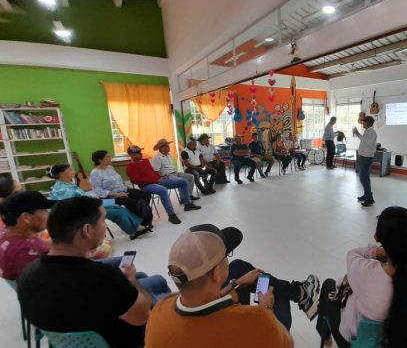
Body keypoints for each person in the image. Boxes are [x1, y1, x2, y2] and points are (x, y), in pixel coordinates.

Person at [17, 197, 171, 348]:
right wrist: (131, 280)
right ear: (87, 230)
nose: (105, 226)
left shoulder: (27, 274)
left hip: (68, 341)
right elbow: (142, 316)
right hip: (125, 340)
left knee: (157, 280)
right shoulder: (103, 277)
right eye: (103, 220)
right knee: (170, 300)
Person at [144, 224, 297, 347]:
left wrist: (235, 284)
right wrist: (267, 310)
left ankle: (298, 293)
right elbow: (287, 343)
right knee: (279, 300)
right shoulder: (255, 320)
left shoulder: (159, 310)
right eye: (225, 256)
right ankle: (299, 295)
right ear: (217, 273)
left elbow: (202, 306)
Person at [315, 207, 407, 347]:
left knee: (328, 285)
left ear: (376, 237)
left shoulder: (364, 273)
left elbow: (353, 254)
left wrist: (381, 251)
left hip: (360, 343)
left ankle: (323, 333)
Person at [48, 164, 152, 239]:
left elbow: (80, 198)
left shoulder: (67, 184)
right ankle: (133, 230)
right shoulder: (62, 190)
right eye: (70, 170)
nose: (73, 171)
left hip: (88, 204)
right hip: (83, 212)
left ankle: (137, 226)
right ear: (61, 173)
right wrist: (93, 203)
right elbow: (73, 206)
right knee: (118, 212)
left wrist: (93, 200)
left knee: (116, 205)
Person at [126, 145, 199, 225]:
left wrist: (159, 177)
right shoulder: (131, 166)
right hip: (147, 186)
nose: (139, 154)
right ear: (130, 155)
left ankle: (188, 204)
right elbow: (137, 180)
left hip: (159, 180)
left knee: (184, 181)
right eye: (137, 153)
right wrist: (155, 180)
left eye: (139, 152)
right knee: (162, 190)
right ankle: (171, 215)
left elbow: (153, 172)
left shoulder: (145, 161)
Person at [90, 150, 154, 224]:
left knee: (145, 195)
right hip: (110, 196)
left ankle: (144, 216)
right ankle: (137, 223)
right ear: (100, 160)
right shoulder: (95, 173)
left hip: (122, 189)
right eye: (107, 157)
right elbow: (98, 190)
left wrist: (126, 187)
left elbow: (118, 179)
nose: (110, 158)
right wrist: (116, 194)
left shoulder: (110, 168)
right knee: (132, 202)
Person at [0, 191, 52, 280]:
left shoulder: (4, 233)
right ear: (26, 218)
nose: (48, 214)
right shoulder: (30, 252)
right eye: (45, 211)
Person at [353, 116, 377, 207]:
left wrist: (358, 133)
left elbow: (368, 143)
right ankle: (367, 195)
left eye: (363, 122)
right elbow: (364, 140)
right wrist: (358, 134)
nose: (362, 123)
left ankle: (369, 199)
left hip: (366, 158)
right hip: (363, 156)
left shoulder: (372, 132)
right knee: (365, 178)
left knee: (363, 178)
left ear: (367, 123)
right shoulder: (367, 131)